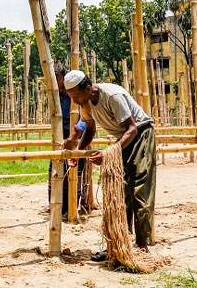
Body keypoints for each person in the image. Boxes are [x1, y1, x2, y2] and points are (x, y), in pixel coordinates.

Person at [64, 70, 156, 259]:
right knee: (119, 192)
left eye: (76, 96)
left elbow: (132, 128)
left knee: (138, 190)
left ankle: (142, 247)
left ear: (88, 88)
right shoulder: (86, 104)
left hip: (141, 135)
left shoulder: (112, 95)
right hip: (123, 140)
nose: (75, 101)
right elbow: (90, 130)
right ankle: (118, 243)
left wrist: (107, 154)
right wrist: (78, 154)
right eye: (72, 97)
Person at [45, 64, 86, 218]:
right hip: (59, 139)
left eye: (57, 78)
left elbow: (86, 116)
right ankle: (55, 207)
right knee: (55, 172)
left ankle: (71, 208)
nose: (56, 82)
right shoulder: (54, 95)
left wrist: (75, 135)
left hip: (76, 138)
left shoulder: (75, 93)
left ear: (63, 77)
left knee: (75, 173)